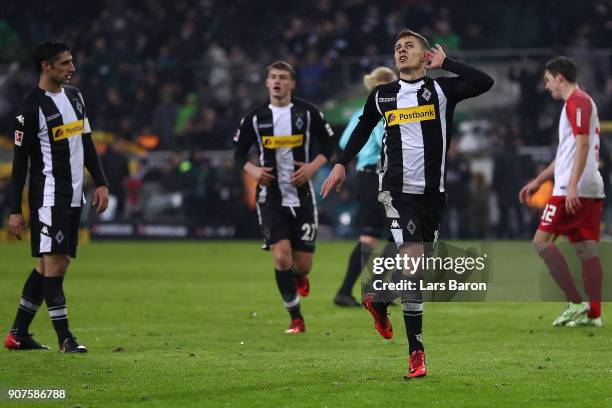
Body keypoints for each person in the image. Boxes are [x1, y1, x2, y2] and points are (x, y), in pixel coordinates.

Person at [321, 29, 493, 378]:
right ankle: (417, 353)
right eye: (397, 48)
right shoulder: (383, 95)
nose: (401, 51)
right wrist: (341, 163)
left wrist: (448, 64)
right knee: (413, 265)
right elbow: (362, 128)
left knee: (418, 271)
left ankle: (379, 298)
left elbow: (485, 81)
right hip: (396, 191)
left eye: (409, 46)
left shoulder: (441, 90)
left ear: (425, 56)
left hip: (433, 193)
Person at [4, 41, 109, 352]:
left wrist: (101, 182)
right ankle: (65, 338)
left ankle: (18, 334)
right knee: (56, 264)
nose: (71, 68)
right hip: (49, 197)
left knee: (48, 264)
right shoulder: (29, 109)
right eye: (64, 63)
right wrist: (14, 210)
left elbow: (87, 143)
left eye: (71, 61)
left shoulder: (75, 98)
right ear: (45, 66)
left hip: (74, 195)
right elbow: (19, 163)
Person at [234, 61, 335, 334]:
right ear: (267, 83)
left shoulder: (308, 112)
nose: (277, 82)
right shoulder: (255, 118)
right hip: (271, 196)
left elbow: (330, 145)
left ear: (292, 84)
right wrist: (254, 170)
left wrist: (313, 167)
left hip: (302, 196)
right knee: (281, 257)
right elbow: (238, 155)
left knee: (303, 266)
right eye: (273, 78)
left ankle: (299, 276)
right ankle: (296, 317)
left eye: (283, 78)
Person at [519, 56, 604, 328]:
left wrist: (573, 185)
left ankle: (575, 301)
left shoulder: (576, 101)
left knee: (541, 242)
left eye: (547, 81)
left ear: (559, 77)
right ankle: (594, 313)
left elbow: (581, 145)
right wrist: (538, 180)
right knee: (586, 250)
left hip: (572, 186)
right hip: (590, 186)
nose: (546, 87)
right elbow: (566, 153)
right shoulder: (579, 103)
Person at [333, 66, 397, 307]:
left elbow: (343, 142)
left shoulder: (366, 112)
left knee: (395, 236)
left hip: (380, 176)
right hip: (373, 175)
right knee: (373, 235)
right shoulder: (374, 113)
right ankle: (349, 290)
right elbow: (352, 143)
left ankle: (370, 290)